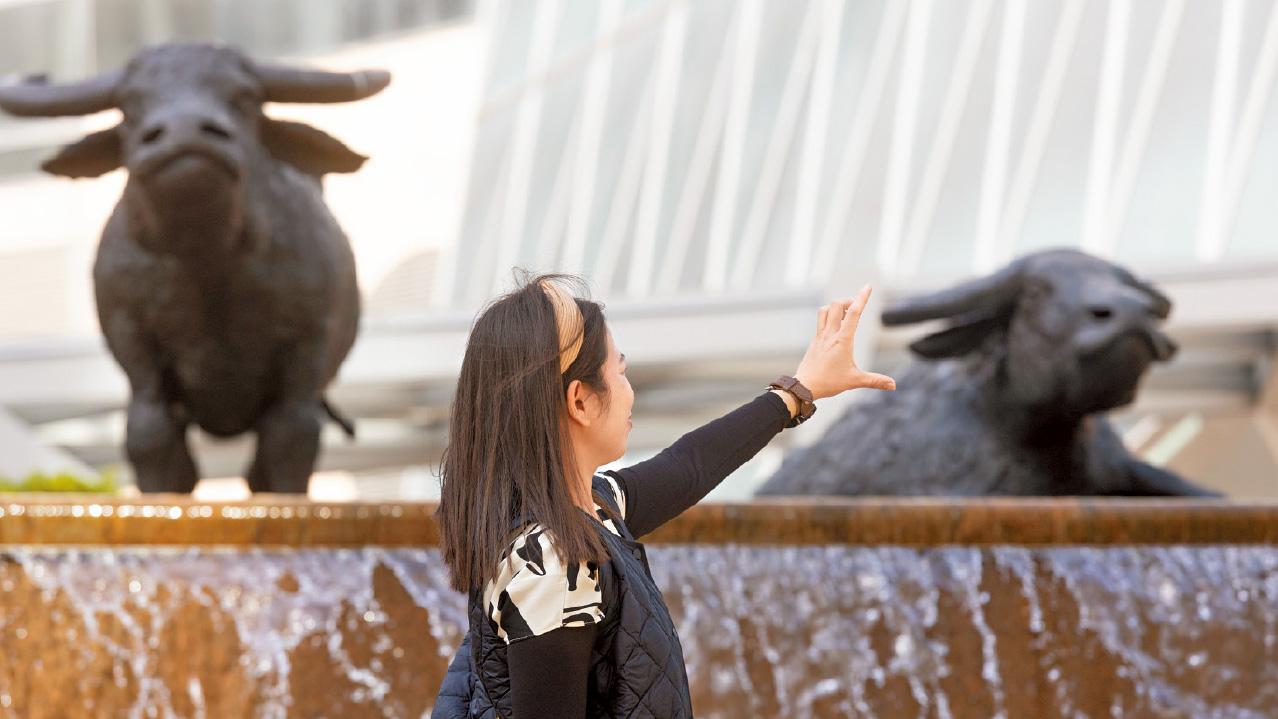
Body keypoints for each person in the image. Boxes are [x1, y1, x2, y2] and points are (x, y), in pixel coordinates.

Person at [433, 273, 894, 719]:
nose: (629, 391)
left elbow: (689, 466)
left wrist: (797, 392)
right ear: (580, 401)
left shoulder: (593, 511)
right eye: (620, 372)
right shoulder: (553, 561)